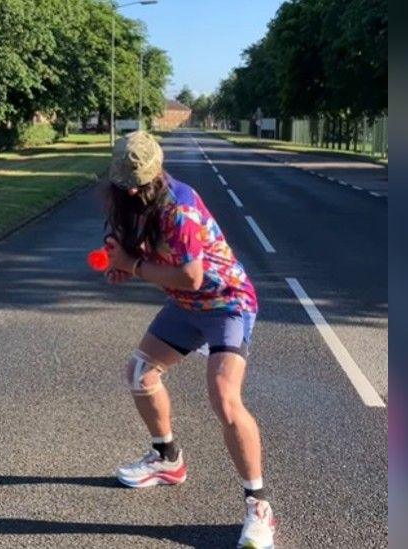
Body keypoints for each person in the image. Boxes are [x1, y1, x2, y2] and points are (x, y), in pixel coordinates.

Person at [101, 131, 276, 549]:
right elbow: (137, 253)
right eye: (125, 183)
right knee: (140, 373)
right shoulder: (126, 199)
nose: (130, 189)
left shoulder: (178, 205)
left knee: (224, 398)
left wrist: (135, 266)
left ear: (155, 174)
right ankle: (167, 460)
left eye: (137, 183)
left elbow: (191, 276)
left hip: (226, 301)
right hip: (185, 305)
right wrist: (119, 260)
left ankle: (259, 508)